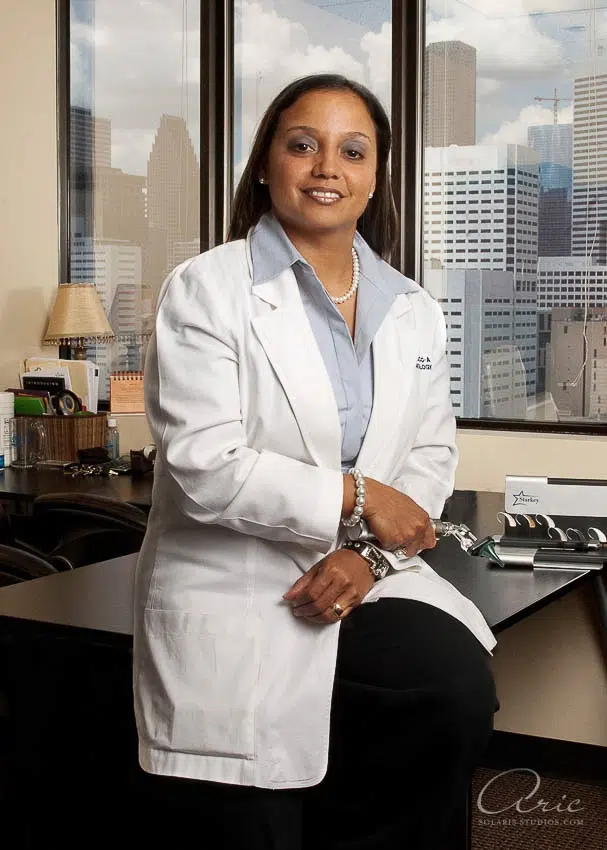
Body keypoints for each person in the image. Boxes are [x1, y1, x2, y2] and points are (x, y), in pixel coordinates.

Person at [133, 73, 498, 849]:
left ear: (374, 177)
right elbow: (204, 464)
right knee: (258, 816)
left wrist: (366, 553)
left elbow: (428, 456)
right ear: (267, 164)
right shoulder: (206, 289)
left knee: (449, 690)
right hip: (239, 590)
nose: (326, 166)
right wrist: (359, 495)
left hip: (362, 578)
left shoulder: (413, 308)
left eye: (351, 150)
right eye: (303, 144)